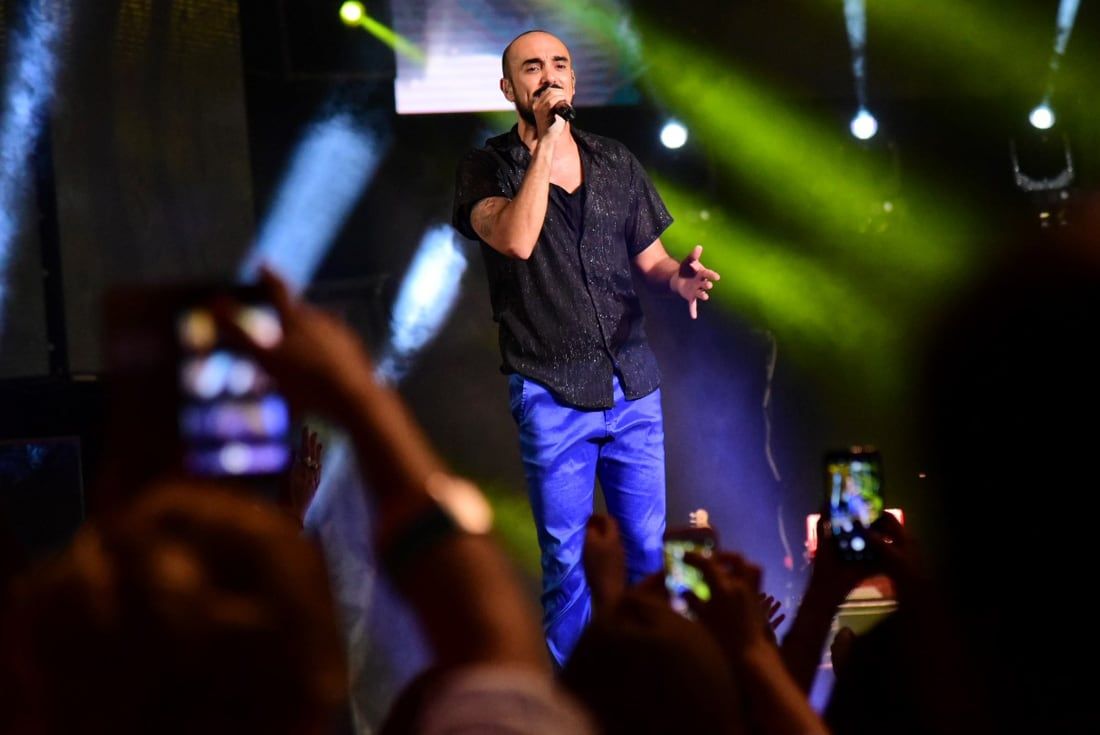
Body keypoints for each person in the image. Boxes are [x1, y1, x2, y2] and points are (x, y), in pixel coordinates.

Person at [452, 29, 720, 665]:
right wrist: (546, 144)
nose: (549, 76)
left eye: (560, 65)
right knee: (567, 567)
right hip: (550, 390)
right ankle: (579, 708)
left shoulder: (615, 161)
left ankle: (656, 691)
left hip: (631, 383)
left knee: (649, 555)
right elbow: (516, 239)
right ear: (508, 88)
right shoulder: (486, 168)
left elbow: (648, 258)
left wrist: (677, 275)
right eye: (532, 68)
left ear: (574, 81)